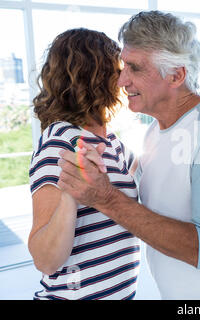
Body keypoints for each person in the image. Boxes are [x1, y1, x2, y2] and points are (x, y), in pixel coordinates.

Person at [57, 11, 200, 299]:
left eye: (134, 68)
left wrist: (105, 197)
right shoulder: (154, 132)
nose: (121, 81)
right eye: (123, 67)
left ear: (176, 75)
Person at [28, 28, 140, 300]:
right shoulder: (61, 141)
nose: (125, 77)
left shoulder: (114, 144)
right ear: (95, 75)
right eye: (119, 68)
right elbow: (45, 260)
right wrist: (70, 193)